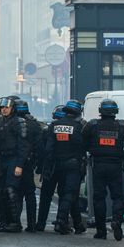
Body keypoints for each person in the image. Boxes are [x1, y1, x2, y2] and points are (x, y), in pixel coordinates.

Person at [82, 99, 124, 241]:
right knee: (117, 196)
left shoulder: (92, 125)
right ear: (115, 111)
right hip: (116, 166)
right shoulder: (123, 126)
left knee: (99, 198)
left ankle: (101, 231)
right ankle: (117, 221)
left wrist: (91, 150)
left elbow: (83, 142)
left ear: (101, 111)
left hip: (98, 165)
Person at [39, 100, 87, 235]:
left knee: (47, 195)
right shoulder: (80, 126)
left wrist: (47, 167)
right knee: (69, 194)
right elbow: (84, 146)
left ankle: (40, 224)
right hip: (73, 165)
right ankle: (61, 221)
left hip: (55, 165)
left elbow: (48, 148)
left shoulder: (54, 125)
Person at [0, 97, 28, 232]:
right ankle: (2, 220)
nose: (4, 110)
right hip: (3, 160)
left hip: (14, 159)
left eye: (6, 108)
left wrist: (19, 165)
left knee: (11, 190)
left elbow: (23, 146)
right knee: (1, 191)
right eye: (2, 108)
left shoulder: (19, 122)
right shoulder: (0, 122)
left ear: (12, 108)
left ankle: (15, 222)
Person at [13, 100, 43, 232]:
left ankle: (15, 222)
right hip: (29, 163)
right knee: (30, 194)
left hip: (15, 163)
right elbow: (40, 147)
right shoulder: (35, 125)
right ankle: (31, 224)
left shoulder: (14, 124)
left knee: (16, 193)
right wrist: (37, 163)